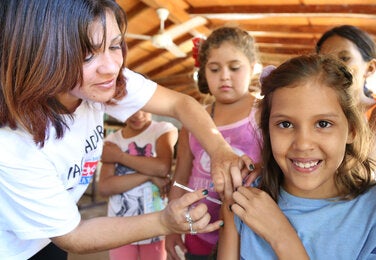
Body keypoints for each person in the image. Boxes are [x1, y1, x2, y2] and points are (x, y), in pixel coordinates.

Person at [0, 1, 254, 259]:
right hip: (15, 248)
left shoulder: (100, 82)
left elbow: (179, 103)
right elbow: (73, 236)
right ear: (39, 55)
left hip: (48, 235)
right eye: (87, 55)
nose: (111, 67)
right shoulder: (13, 143)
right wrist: (165, 222)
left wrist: (220, 149)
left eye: (114, 45)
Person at [218, 54, 376, 259]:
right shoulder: (246, 198)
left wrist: (281, 236)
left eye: (323, 124)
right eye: (285, 124)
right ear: (268, 130)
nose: (303, 144)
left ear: (352, 130)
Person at [166, 26, 263, 260]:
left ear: (252, 67)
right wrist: (170, 225)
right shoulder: (193, 119)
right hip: (196, 228)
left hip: (248, 232)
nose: (225, 76)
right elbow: (181, 175)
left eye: (235, 67)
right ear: (204, 72)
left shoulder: (263, 113)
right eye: (215, 69)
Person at [315, 25, 376, 190]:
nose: (333, 65)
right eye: (325, 60)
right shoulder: (316, 113)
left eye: (345, 57)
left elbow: (361, 169)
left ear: (370, 68)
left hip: (370, 207)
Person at [98, 110, 178, 260]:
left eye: (143, 108)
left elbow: (162, 168)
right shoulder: (112, 140)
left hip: (154, 225)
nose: (137, 115)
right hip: (120, 227)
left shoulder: (162, 129)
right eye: (130, 109)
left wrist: (119, 156)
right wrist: (149, 175)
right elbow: (105, 187)